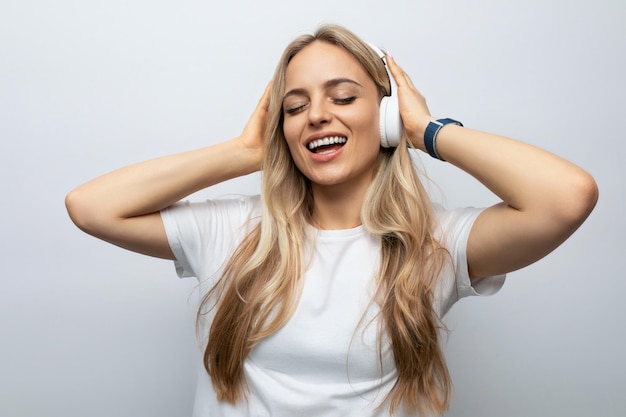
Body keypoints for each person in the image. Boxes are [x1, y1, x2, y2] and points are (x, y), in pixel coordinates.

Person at [65, 24, 598, 417]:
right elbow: (90, 207)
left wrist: (427, 129)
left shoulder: (435, 243)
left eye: (343, 97)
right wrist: (244, 150)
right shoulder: (230, 232)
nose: (317, 114)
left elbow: (567, 197)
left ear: (385, 117)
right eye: (295, 107)